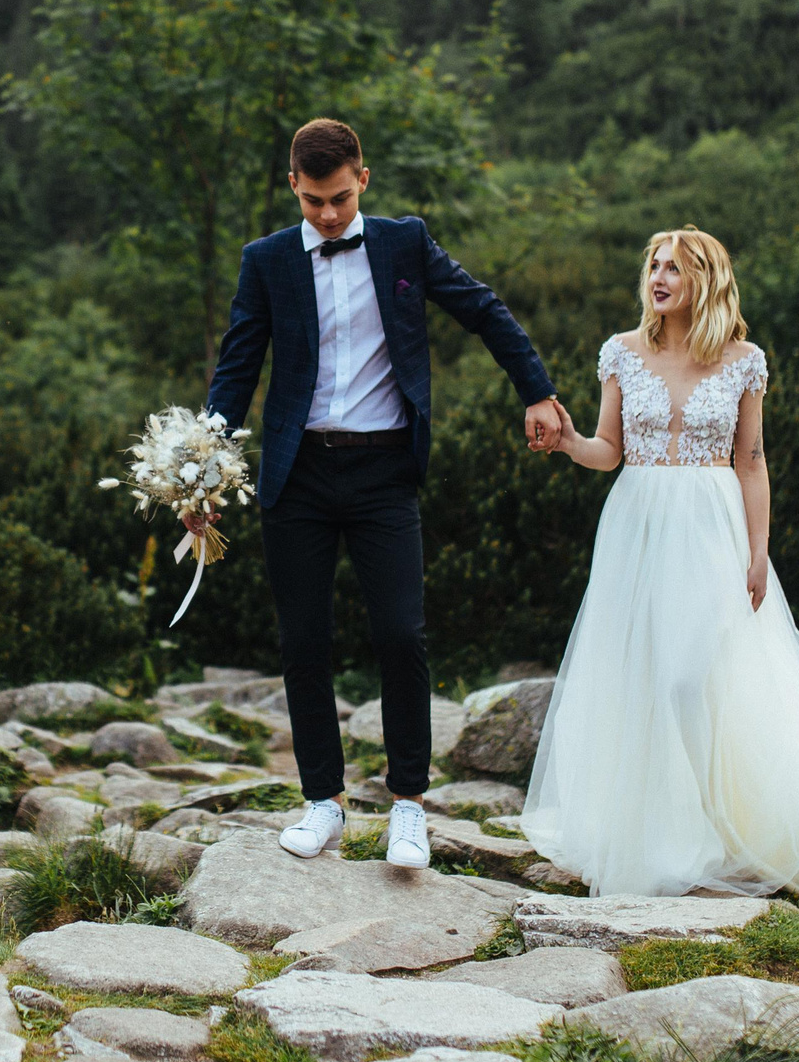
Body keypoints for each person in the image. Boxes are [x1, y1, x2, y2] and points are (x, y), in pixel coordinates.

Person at [520, 225, 799, 898]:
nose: (659, 277)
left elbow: (752, 461)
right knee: (644, 676)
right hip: (636, 527)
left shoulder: (743, 361)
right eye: (654, 265)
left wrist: (758, 551)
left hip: (713, 528)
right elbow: (609, 450)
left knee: (692, 677)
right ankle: (663, 832)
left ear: (704, 279)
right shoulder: (622, 352)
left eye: (674, 268)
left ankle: (721, 820)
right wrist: (568, 442)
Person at [205, 118, 571, 869]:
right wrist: (203, 472)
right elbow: (236, 367)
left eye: (340, 198)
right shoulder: (266, 260)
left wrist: (536, 390)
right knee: (304, 641)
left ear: (363, 180)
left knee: (402, 634)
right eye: (313, 201)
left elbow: (483, 308)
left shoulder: (405, 243)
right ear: (293, 187)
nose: (327, 214)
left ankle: (408, 805)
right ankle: (323, 802)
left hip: (383, 472)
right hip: (297, 475)